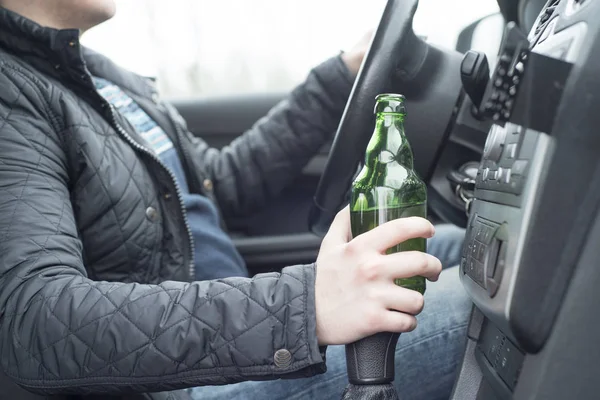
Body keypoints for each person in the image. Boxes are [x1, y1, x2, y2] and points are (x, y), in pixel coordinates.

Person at [0, 1, 470, 400]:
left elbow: (215, 186)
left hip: (237, 330)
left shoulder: (101, 78)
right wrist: (307, 304)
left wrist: (339, 78)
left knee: (455, 246)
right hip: (181, 381)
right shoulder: (11, 92)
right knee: (479, 308)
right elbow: (34, 318)